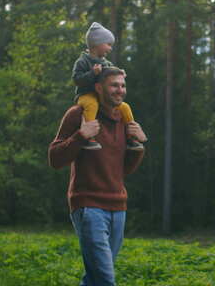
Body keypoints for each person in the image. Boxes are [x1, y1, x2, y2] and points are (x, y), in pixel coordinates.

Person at [49, 67, 147, 286]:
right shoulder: (78, 114)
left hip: (118, 207)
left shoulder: (123, 117)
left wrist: (138, 146)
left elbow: (122, 170)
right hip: (88, 205)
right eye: (114, 85)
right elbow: (55, 159)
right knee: (105, 278)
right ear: (98, 87)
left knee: (95, 278)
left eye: (122, 85)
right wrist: (81, 136)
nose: (119, 90)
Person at [72, 22, 144, 151]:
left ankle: (130, 136)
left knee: (125, 107)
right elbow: (77, 80)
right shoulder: (82, 61)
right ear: (96, 44)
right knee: (92, 105)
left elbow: (112, 74)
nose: (110, 48)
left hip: (102, 96)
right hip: (86, 95)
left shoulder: (107, 63)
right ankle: (89, 137)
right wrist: (92, 73)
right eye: (108, 44)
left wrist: (120, 73)